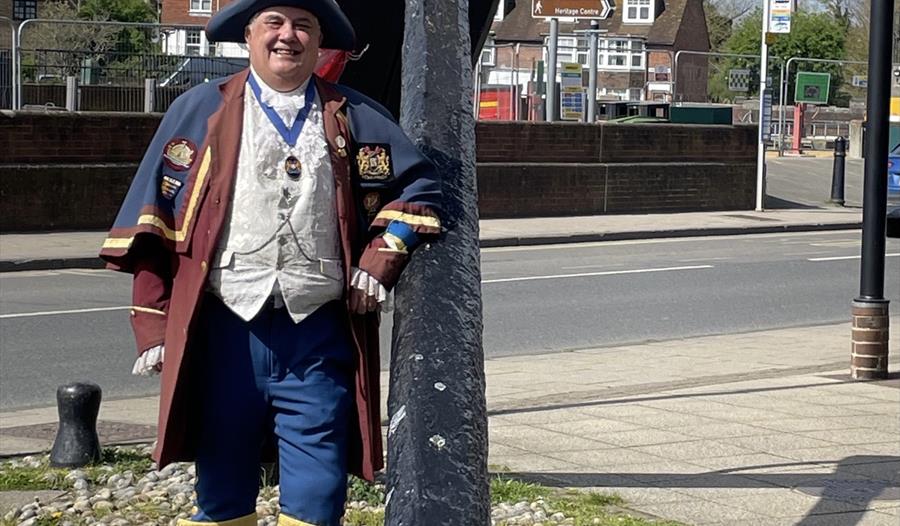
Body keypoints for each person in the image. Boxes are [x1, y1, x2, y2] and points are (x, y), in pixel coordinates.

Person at [99, 1, 442, 524]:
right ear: (249, 35)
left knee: (318, 493)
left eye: (303, 25)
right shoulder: (198, 111)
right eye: (274, 24)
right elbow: (153, 224)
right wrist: (154, 323)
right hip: (224, 332)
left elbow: (419, 190)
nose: (288, 36)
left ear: (320, 40)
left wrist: (381, 258)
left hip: (317, 335)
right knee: (222, 486)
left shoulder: (358, 115)